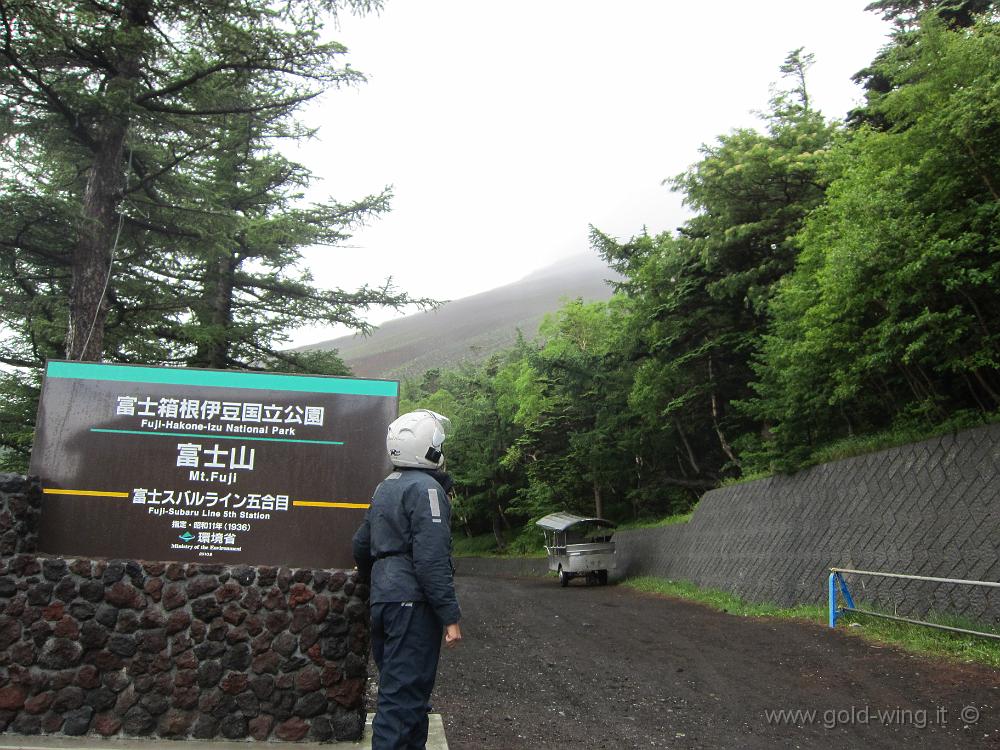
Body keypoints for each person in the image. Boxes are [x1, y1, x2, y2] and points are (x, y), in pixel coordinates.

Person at [352, 409, 463, 750]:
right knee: (401, 705)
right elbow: (430, 561)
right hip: (410, 606)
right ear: (427, 448)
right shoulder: (428, 490)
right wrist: (450, 616)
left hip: (385, 601)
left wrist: (380, 586)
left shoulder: (385, 487)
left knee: (404, 694)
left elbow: (360, 545)